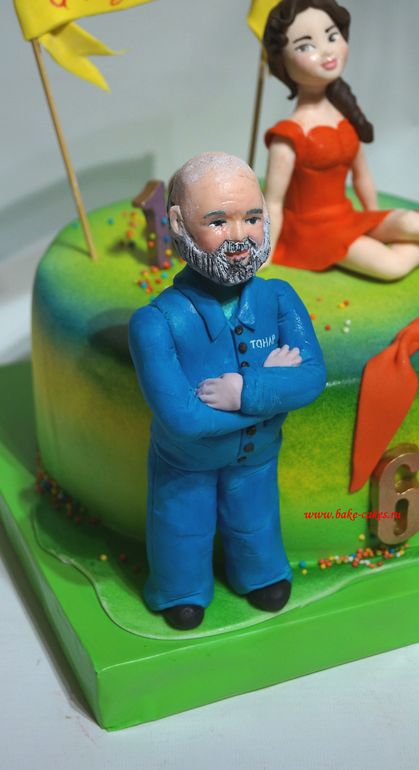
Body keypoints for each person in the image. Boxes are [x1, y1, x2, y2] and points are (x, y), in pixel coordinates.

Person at [129, 152, 326, 630]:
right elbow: (183, 418)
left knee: (256, 518)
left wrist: (245, 390)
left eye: (252, 218)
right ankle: (180, 589)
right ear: (179, 224)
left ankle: (261, 575)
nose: (239, 237)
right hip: (184, 464)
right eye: (217, 221)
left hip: (257, 459)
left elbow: (312, 377)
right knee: (181, 526)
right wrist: (272, 390)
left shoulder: (279, 298)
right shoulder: (155, 322)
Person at [263, 0, 419, 280]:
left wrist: (375, 220)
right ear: (282, 62)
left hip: (347, 215)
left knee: (410, 222)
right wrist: (267, 252)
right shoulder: (288, 135)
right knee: (391, 266)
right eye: (306, 46)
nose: (326, 50)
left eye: (332, 36)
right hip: (314, 231)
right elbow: (273, 202)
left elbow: (362, 175)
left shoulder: (347, 114)